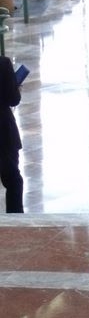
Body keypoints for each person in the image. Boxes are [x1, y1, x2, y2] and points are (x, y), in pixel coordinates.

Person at [0, 55, 24, 214]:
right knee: (13, 181)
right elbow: (13, 99)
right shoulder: (3, 64)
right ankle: (16, 223)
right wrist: (16, 86)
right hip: (3, 132)